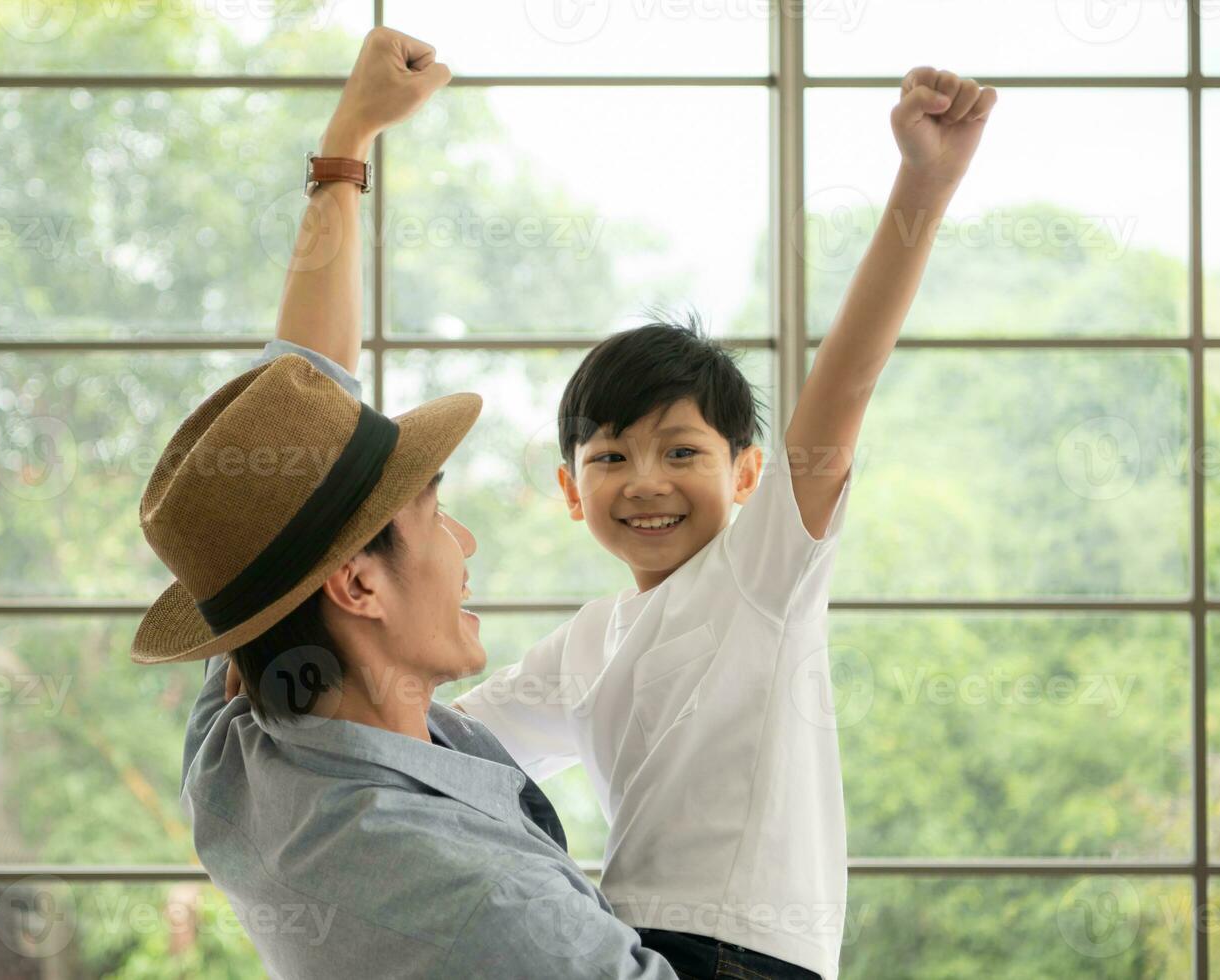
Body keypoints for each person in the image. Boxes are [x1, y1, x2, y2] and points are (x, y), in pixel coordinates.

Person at [134, 27, 680, 978]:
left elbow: (303, 388)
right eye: (434, 514)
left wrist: (347, 150)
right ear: (355, 583)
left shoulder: (244, 740)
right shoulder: (483, 905)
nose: (465, 542)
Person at [444, 68, 999, 980]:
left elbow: (847, 380)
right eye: (610, 457)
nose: (644, 482)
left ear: (746, 472)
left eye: (681, 453)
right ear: (570, 489)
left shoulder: (761, 571)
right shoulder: (588, 639)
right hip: (626, 948)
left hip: (747, 952)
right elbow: (438, 744)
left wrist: (922, 183)